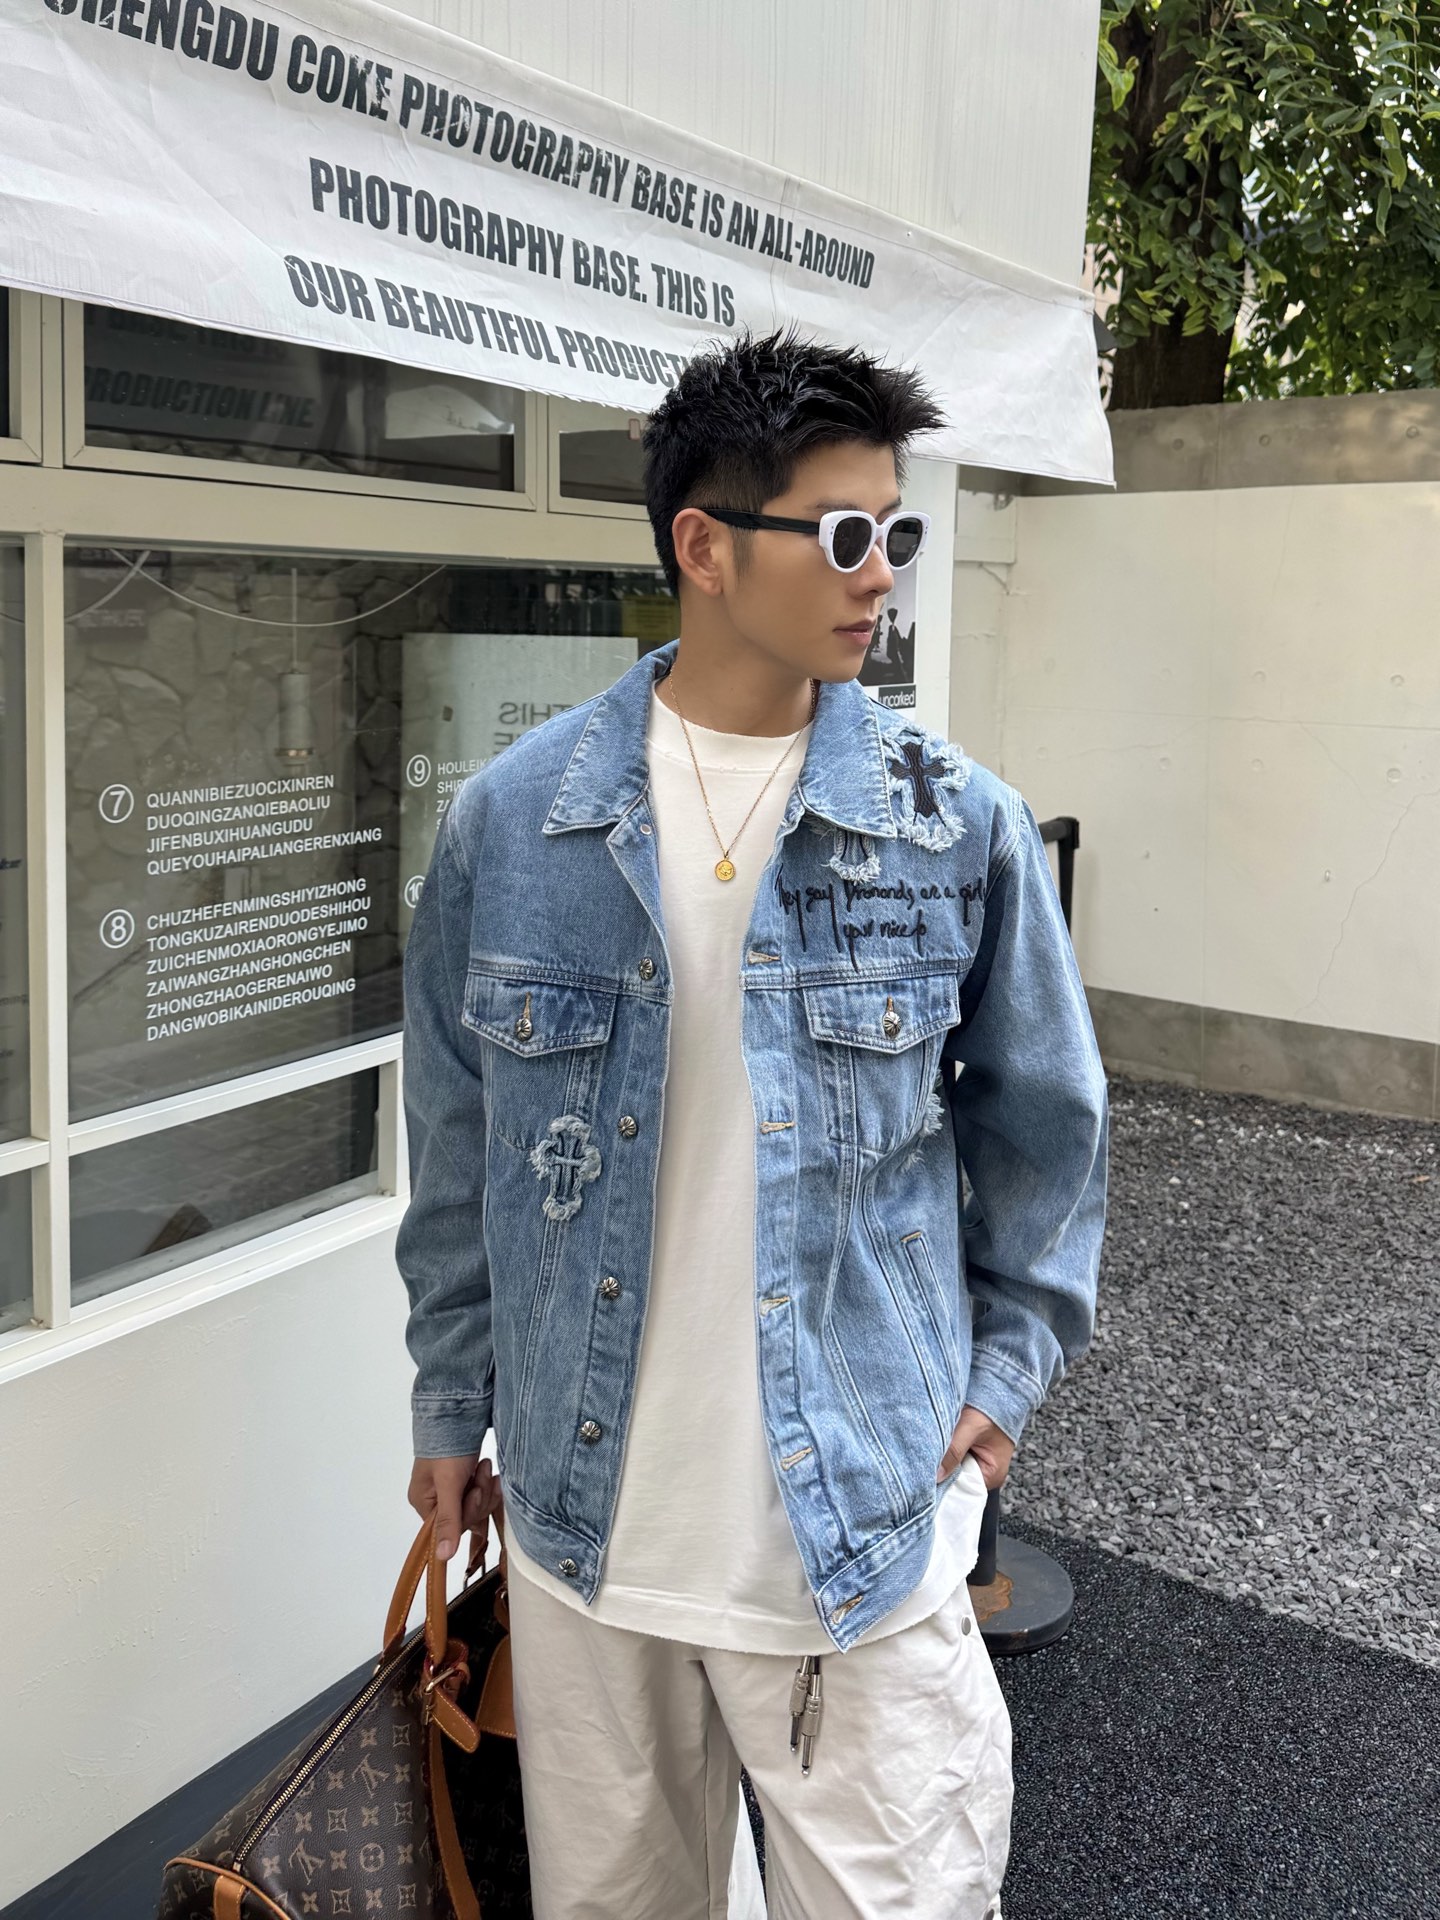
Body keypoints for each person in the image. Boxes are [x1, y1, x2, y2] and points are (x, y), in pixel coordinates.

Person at [396, 325, 1109, 1920]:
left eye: (896, 533)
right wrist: (451, 1405)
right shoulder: (515, 825)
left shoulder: (951, 823)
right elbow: (456, 1145)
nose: (883, 576)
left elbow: (1051, 1125)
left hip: (860, 1516)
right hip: (591, 1530)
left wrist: (1007, 1372)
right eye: (846, 534)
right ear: (704, 546)